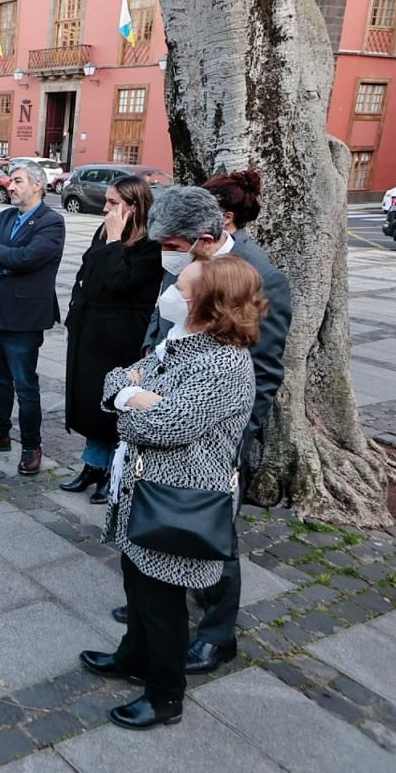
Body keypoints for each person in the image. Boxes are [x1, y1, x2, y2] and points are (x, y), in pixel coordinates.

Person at [79, 255, 265, 730]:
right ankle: (132, 657)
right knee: (137, 585)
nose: (171, 295)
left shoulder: (222, 363)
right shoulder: (180, 344)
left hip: (178, 498)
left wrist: (138, 402)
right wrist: (131, 394)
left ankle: (165, 695)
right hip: (144, 488)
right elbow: (116, 380)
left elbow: (167, 424)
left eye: (181, 289)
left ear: (209, 303)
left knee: (162, 602)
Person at [115, 182, 292, 675]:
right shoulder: (187, 267)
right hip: (166, 409)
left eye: (172, 250)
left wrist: (226, 442)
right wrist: (144, 378)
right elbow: (162, 329)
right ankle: (152, 605)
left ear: (205, 239)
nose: (167, 263)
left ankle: (217, 633)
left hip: (212, 436)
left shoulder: (261, 278)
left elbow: (265, 371)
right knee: (151, 526)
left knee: (211, 531)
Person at [61, 176, 163, 503]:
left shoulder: (151, 245)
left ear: (135, 206)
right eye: (106, 201)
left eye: (114, 203)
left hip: (121, 336)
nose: (106, 209)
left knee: (115, 404)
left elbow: (117, 280)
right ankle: (92, 465)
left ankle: (113, 473)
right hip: (91, 329)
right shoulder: (105, 231)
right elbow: (89, 273)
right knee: (91, 402)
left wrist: (116, 240)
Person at [0, 160, 65, 474]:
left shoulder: (51, 222)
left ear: (37, 185)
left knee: (25, 384)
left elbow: (29, 258)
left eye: (18, 181)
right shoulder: (7, 215)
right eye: (10, 180)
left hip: (23, 317)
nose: (11, 186)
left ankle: (31, 446)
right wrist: (4, 257)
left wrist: (2, 255)